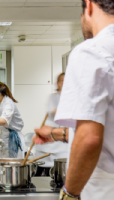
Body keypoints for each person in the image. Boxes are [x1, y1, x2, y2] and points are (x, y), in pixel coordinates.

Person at [34, 0, 114, 199]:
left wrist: (69, 193)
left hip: (103, 187)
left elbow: (89, 138)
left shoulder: (92, 51)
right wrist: (54, 133)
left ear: (89, 6)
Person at [34, 73, 68, 176]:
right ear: (57, 83)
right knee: (44, 168)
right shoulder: (53, 97)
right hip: (50, 134)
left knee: (61, 167)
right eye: (62, 80)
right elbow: (54, 111)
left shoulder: (73, 97)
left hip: (64, 137)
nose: (65, 82)